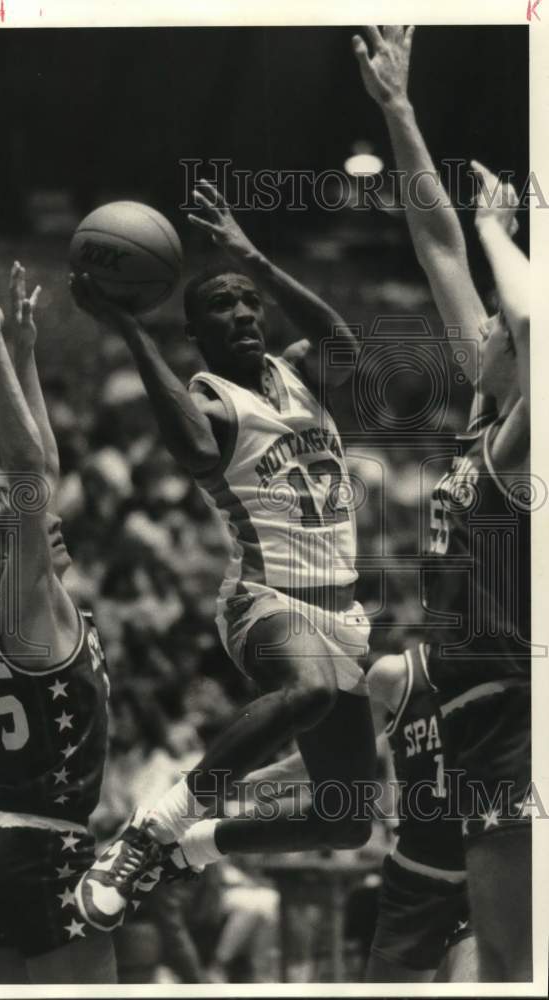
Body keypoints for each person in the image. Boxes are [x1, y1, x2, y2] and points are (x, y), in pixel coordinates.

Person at [72, 182, 377, 930]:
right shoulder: (207, 401)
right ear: (193, 336)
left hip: (344, 618)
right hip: (265, 601)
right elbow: (191, 447)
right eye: (220, 306)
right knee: (305, 693)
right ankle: (150, 832)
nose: (241, 312)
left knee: (347, 819)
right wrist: (126, 329)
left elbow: (344, 342)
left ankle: (195, 848)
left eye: (247, 302)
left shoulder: (299, 370)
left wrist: (256, 261)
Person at [354, 26, 531, 981]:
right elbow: (435, 244)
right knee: (491, 955)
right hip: (462, 706)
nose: (486, 325)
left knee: (510, 962)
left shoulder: (521, 435)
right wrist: (399, 112)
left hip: (509, 702)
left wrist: (503, 234)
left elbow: (528, 318)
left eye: (499, 325)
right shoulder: (485, 404)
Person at [0, 252, 117, 984]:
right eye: (26, 525)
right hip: (44, 851)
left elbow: (40, 467)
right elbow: (30, 474)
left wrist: (23, 348)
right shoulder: (27, 605)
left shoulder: (17, 610)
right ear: (9, 551)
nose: (48, 524)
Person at [365, 644, 476, 982]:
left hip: (489, 874)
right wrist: (260, 776)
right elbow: (340, 758)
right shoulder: (394, 674)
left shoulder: (519, 674)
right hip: (417, 880)